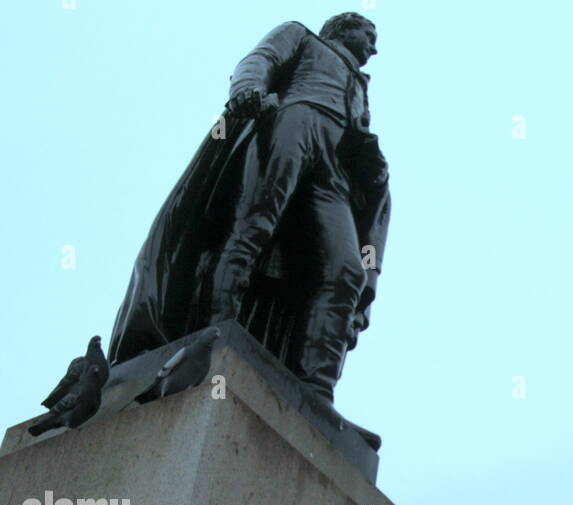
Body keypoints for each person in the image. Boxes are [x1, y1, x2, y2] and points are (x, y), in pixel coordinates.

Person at [109, 12, 390, 402]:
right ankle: (217, 336)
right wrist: (248, 86)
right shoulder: (301, 36)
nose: (374, 47)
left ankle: (316, 390)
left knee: (346, 270)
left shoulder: (361, 86)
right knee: (253, 227)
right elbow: (259, 59)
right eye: (369, 34)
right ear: (342, 28)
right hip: (294, 119)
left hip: (336, 166)